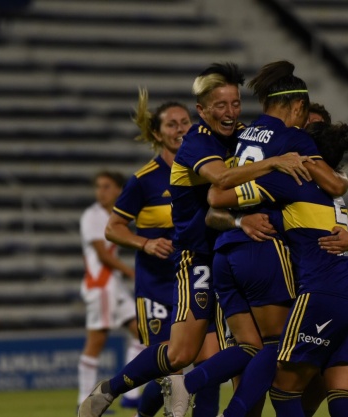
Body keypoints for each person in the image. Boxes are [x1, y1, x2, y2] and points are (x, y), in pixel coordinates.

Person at [78, 62, 310, 417]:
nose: (230, 112)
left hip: (233, 255)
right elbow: (221, 180)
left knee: (238, 351)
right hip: (196, 258)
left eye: (235, 103)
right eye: (221, 105)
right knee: (180, 354)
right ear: (202, 111)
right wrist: (275, 162)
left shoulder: (243, 136)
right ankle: (111, 389)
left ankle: (191, 396)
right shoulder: (195, 142)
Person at [159, 61, 348, 417]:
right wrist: (333, 175)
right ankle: (192, 385)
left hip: (225, 252)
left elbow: (215, 197)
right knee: (278, 347)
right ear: (298, 108)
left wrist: (239, 218)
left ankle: (174, 389)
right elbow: (336, 185)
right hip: (263, 253)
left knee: (249, 348)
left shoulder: (245, 135)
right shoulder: (293, 150)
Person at [208, 121, 348, 417]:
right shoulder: (334, 189)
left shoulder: (288, 181)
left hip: (323, 292)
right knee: (340, 395)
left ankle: (218, 405)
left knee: (282, 389)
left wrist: (266, 166)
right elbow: (344, 226)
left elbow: (216, 199)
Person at [104, 90, 221, 417]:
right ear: (157, 134)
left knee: (210, 361)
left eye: (185, 122)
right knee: (170, 364)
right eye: (172, 124)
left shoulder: (204, 171)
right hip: (158, 285)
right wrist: (146, 243)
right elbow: (113, 228)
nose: (180, 129)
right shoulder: (144, 181)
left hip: (196, 278)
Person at [77, 171, 144, 410]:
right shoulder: (92, 215)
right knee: (96, 342)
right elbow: (102, 254)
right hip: (101, 285)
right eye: (98, 187)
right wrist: (131, 271)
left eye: (106, 186)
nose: (101, 192)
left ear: (118, 190)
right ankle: (84, 401)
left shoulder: (114, 214)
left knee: (141, 332)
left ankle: (131, 396)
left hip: (113, 285)